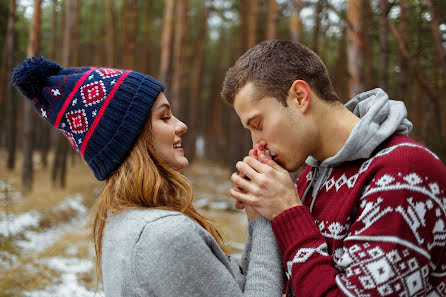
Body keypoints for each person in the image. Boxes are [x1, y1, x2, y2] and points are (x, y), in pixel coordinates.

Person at [12, 57, 284, 296]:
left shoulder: (123, 222)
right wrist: (264, 218)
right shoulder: (163, 236)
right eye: (164, 117)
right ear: (130, 139)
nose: (181, 125)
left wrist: (255, 214)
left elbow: (234, 287)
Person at [222, 39, 446, 297]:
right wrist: (262, 215)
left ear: (300, 97)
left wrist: (288, 212)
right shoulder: (306, 182)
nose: (256, 143)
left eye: (258, 124)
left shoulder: (405, 172)